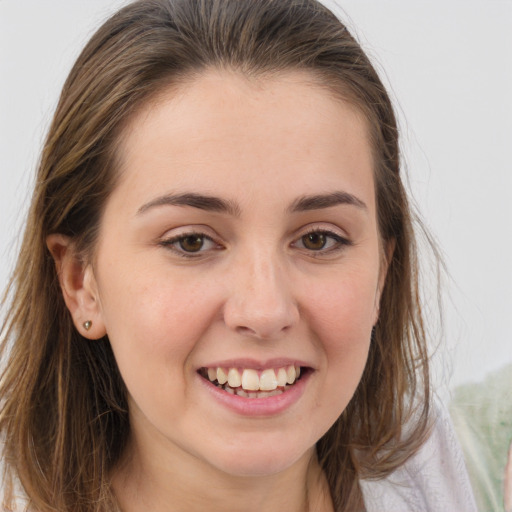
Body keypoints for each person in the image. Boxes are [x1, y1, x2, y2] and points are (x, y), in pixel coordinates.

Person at [0, 0, 476, 510]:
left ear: (382, 273)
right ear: (81, 283)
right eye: (191, 242)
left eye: (318, 239)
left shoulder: (455, 471)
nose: (265, 311)